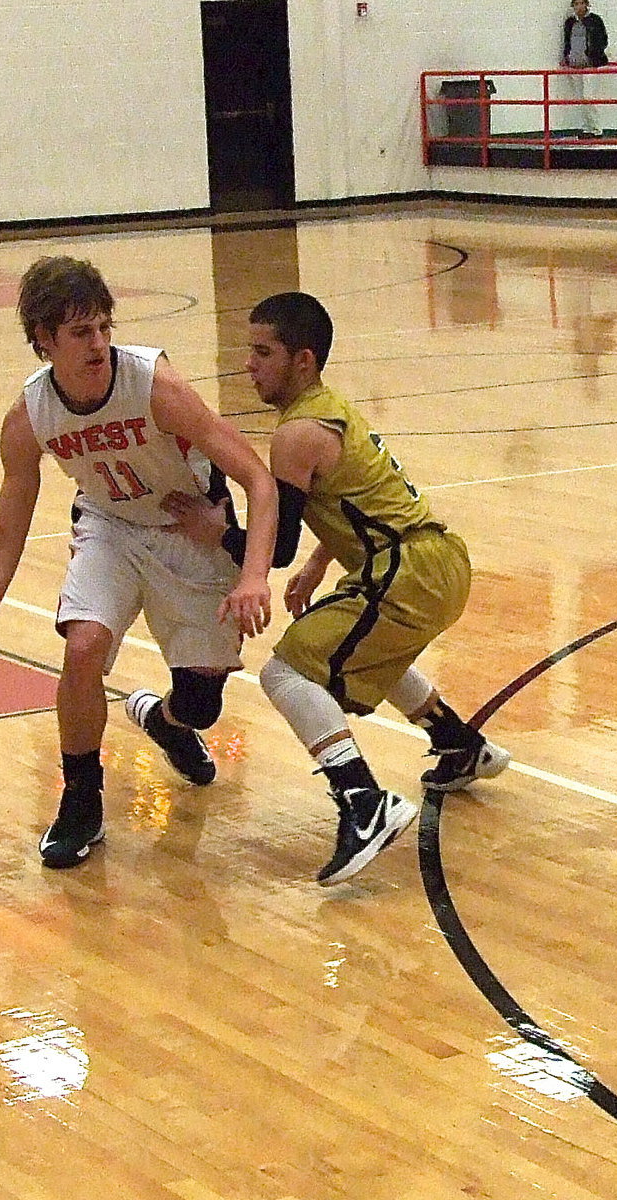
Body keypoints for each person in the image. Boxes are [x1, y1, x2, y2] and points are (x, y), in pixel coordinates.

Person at [0, 256, 278, 869]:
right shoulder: (29, 418)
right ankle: (81, 798)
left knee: (201, 707)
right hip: (109, 528)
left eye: (104, 327)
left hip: (188, 530)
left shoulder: (156, 387)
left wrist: (253, 575)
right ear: (44, 342)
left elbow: (259, 481)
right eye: (81, 332)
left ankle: (165, 722)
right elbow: (4, 539)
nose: (99, 343)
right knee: (82, 647)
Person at [162, 292, 509, 887]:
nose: (249, 364)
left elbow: (278, 547)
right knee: (354, 644)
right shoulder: (331, 409)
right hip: (435, 560)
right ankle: (460, 744)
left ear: (303, 359)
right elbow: (361, 496)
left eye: (263, 352)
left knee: (286, 673)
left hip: (408, 572)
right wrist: (325, 561)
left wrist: (215, 531)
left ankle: (363, 803)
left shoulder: (296, 434)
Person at [561, 0, 608, 137]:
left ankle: (596, 128)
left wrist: (592, 55)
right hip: (575, 64)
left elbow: (603, 40)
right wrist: (566, 56)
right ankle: (587, 127)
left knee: (589, 97)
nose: (578, 7)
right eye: (576, 4)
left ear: (586, 5)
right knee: (580, 98)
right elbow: (567, 41)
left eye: (581, 3)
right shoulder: (570, 22)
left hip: (590, 64)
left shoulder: (595, 20)